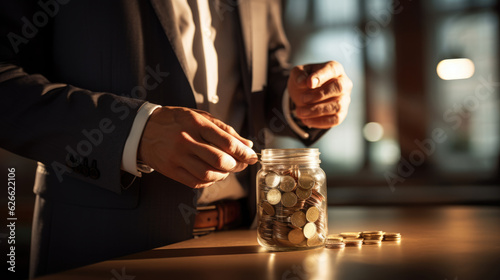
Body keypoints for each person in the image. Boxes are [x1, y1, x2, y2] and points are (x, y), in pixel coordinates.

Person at [0, 0, 352, 277]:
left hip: (249, 240)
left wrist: (301, 100)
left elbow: (266, 68)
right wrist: (135, 131)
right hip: (101, 244)